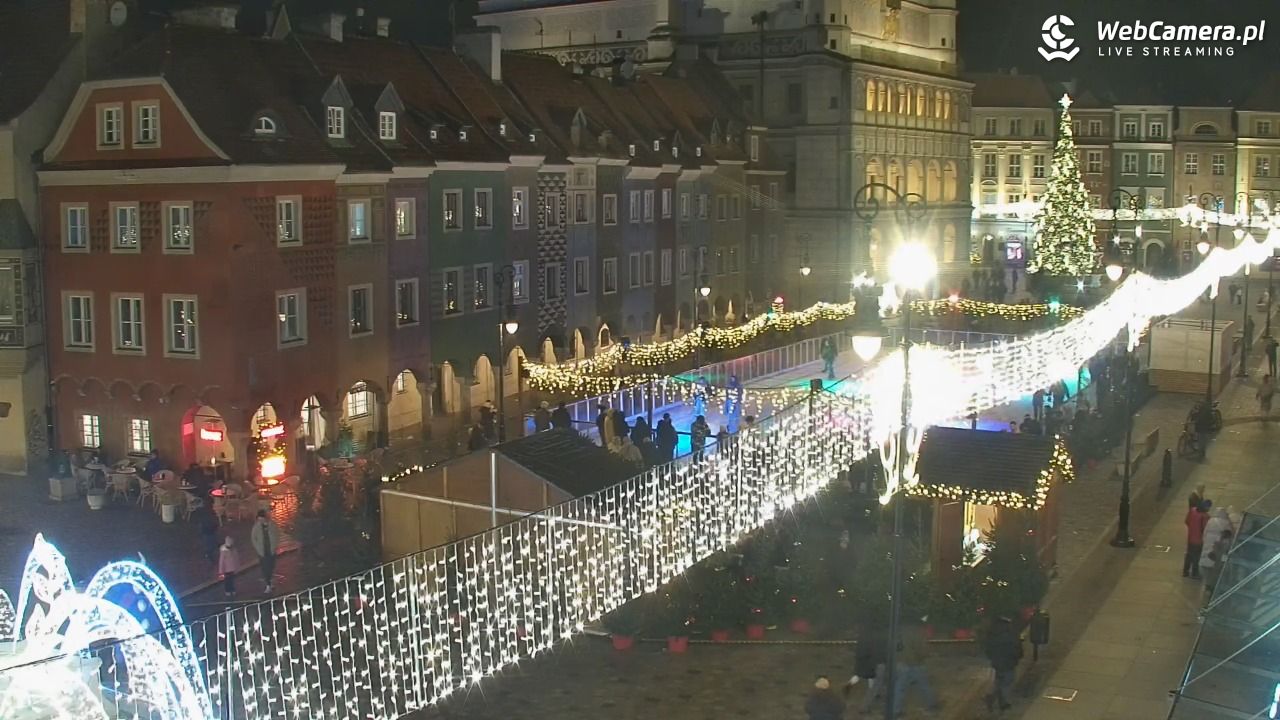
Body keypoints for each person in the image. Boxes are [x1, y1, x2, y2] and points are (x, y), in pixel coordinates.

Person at [894, 618, 940, 714]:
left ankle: (896, 709)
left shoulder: (899, 632)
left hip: (902, 663)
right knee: (924, 685)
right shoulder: (918, 633)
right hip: (916, 663)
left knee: (899, 687)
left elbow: (895, 647)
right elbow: (922, 650)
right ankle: (931, 704)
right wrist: (926, 655)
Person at [983, 615, 1023, 713]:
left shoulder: (992, 634)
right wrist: (1017, 657)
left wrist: (993, 658)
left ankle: (992, 697)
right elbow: (1017, 650)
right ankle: (1003, 702)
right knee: (1007, 682)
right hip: (1009, 663)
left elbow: (988, 649)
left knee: (999, 681)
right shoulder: (1011, 635)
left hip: (997, 663)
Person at [250, 509, 282, 595]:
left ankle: (270, 582)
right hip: (262, 551)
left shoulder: (272, 525)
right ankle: (268, 584)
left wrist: (275, 545)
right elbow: (253, 538)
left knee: (271, 566)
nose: (260, 521)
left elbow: (277, 534)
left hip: (271, 550)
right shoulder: (256, 527)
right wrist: (258, 548)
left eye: (261, 519)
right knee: (265, 568)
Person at [1202, 529, 1235, 600]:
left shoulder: (1219, 544)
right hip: (1222, 567)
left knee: (1215, 580)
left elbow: (1213, 555)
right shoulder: (1230, 545)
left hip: (1217, 567)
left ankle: (1211, 594)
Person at [1184, 500, 1210, 579]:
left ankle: (1185, 571)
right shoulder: (1205, 516)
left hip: (1190, 537)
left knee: (1189, 554)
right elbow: (1206, 529)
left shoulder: (1192, 510)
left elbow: (1187, 521)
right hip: (1199, 540)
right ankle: (1194, 573)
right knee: (1196, 557)